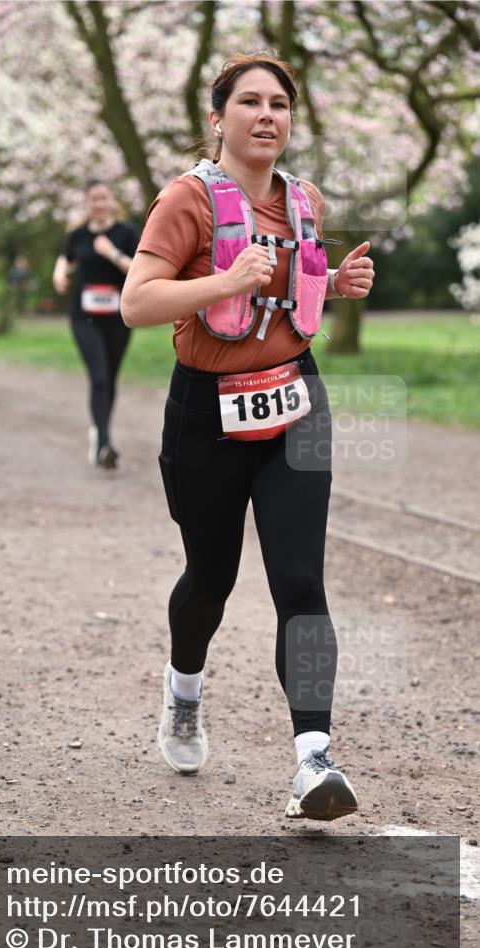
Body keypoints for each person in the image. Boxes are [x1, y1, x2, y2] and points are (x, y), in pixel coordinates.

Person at [121, 53, 375, 821]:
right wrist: (223, 282)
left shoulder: (304, 200)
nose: (267, 115)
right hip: (207, 414)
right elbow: (137, 302)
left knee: (299, 581)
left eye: (279, 104)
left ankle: (313, 759)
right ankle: (184, 691)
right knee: (211, 578)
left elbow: (280, 293)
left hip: (295, 401)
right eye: (250, 102)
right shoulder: (186, 200)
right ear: (217, 118)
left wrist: (332, 286)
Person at [53, 179, 140, 470]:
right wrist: (59, 274)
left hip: (118, 317)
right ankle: (104, 444)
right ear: (87, 202)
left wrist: (112, 253)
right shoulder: (77, 234)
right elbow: (66, 259)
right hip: (84, 317)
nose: (100, 204)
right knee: (99, 377)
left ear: (112, 200)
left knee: (110, 378)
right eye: (94, 199)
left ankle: (100, 433)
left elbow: (140, 270)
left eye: (104, 198)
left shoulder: (126, 233)